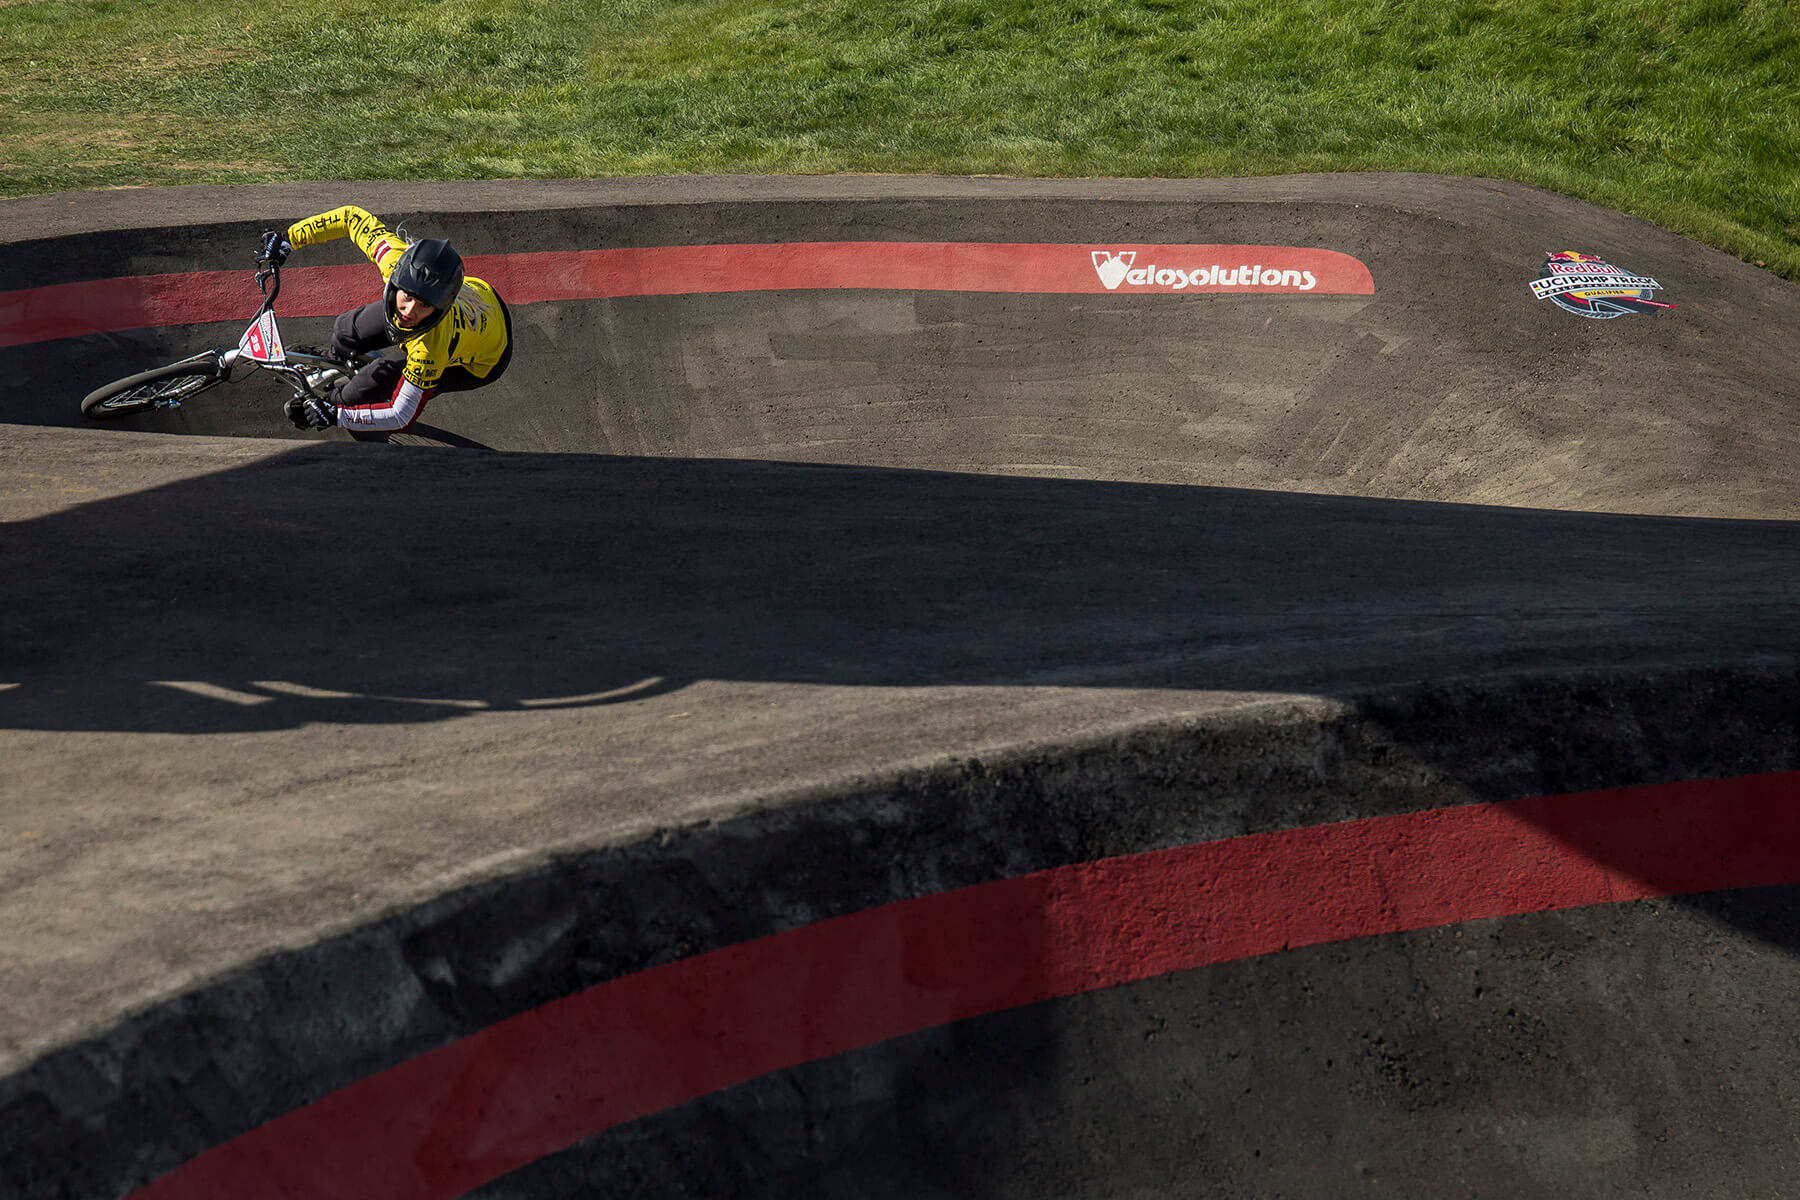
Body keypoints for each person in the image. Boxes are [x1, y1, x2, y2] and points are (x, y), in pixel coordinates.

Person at [258, 206, 512, 434]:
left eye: (424, 305)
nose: (410, 311)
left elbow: (402, 415)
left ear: (441, 307)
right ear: (398, 278)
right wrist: (288, 238)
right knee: (346, 328)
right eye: (408, 296)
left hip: (481, 362)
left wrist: (337, 415)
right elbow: (350, 218)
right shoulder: (394, 259)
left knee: (367, 387)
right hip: (475, 298)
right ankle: (336, 365)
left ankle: (334, 400)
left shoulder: (431, 349)